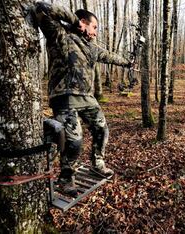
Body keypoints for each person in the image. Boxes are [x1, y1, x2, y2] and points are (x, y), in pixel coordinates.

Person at [34, 2, 132, 195]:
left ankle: (98, 163)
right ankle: (66, 178)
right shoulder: (60, 34)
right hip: (65, 97)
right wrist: (73, 20)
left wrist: (128, 63)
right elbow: (41, 8)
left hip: (87, 98)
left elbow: (109, 56)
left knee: (101, 129)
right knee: (74, 141)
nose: (95, 32)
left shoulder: (91, 47)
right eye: (93, 27)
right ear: (83, 22)